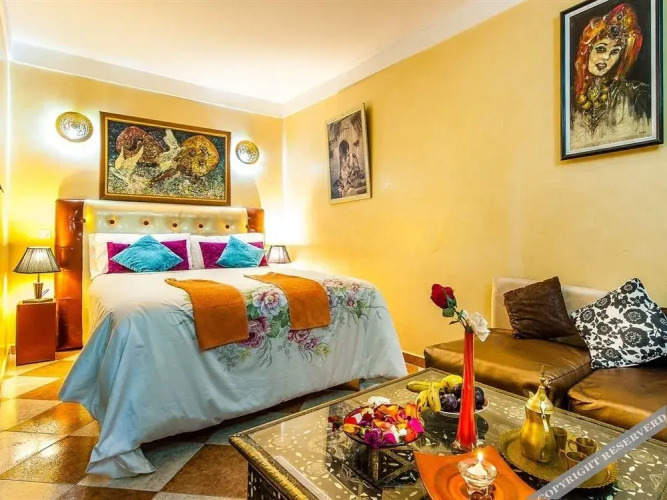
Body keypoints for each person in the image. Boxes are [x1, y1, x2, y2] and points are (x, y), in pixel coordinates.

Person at [570, 3, 651, 150]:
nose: (606, 57)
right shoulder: (569, 98)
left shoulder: (636, 95)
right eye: (601, 49)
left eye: (615, 52)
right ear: (586, 51)